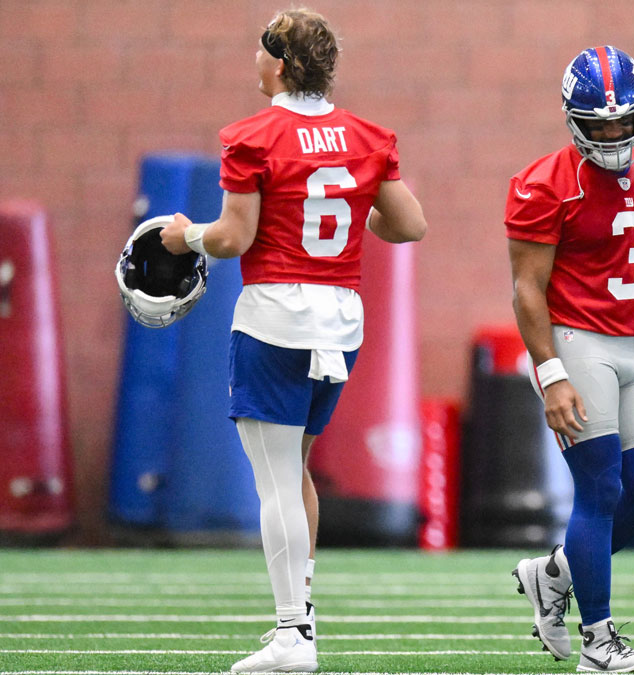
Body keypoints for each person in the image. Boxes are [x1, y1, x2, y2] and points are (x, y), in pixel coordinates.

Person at [160, 8, 427, 673]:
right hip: (340, 318)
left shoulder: (251, 136)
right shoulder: (367, 136)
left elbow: (233, 237)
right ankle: (299, 623)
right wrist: (348, 207)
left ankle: (291, 637)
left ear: (279, 63)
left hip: (276, 314)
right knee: (296, 472)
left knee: (277, 482)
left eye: (260, 50)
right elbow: (409, 224)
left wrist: (185, 235)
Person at [505, 46, 634, 673]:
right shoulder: (543, 184)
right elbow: (526, 289)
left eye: (624, 121)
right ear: (574, 120)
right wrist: (551, 374)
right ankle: (597, 640)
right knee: (599, 489)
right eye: (599, 124)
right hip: (577, 341)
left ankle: (552, 574)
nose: (614, 133)